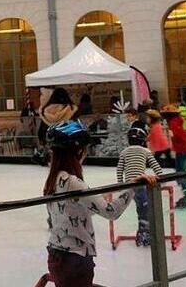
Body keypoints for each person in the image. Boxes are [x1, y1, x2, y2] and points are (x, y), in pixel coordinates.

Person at [44, 120, 155, 287]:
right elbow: (111, 212)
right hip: (75, 259)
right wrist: (133, 186)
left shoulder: (55, 179)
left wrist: (103, 196)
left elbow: (78, 208)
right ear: (78, 150)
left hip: (58, 255)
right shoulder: (72, 182)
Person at [118, 126, 165, 246]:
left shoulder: (124, 152)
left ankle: (144, 231)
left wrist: (120, 184)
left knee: (142, 207)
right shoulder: (145, 151)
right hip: (140, 183)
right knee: (145, 208)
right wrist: (162, 178)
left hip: (129, 185)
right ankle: (144, 234)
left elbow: (120, 169)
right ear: (143, 141)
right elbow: (155, 166)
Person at [162, 104, 186, 209]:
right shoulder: (174, 122)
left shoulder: (173, 122)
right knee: (179, 174)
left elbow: (179, 133)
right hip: (181, 150)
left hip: (182, 150)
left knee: (180, 175)